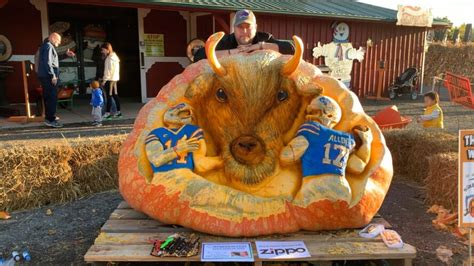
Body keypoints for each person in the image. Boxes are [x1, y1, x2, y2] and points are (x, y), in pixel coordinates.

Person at [193, 9, 295, 62]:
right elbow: (199, 56)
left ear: (255, 27)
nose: (244, 31)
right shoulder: (226, 41)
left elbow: (291, 49)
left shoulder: (264, 38)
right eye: (240, 27)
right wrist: (234, 52)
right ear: (234, 28)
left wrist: (259, 46)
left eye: (248, 27)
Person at [37, 32, 74, 128]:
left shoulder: (46, 46)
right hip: (49, 77)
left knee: (48, 97)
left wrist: (66, 55)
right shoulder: (48, 46)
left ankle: (49, 117)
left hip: (45, 76)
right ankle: (51, 120)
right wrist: (53, 75)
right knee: (52, 98)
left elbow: (53, 59)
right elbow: (48, 62)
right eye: (58, 40)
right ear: (53, 38)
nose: (59, 42)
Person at [101, 42, 121, 119]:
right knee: (115, 95)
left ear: (107, 49)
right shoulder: (115, 57)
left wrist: (104, 80)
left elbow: (107, 71)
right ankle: (118, 112)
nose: (102, 51)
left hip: (109, 79)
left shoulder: (108, 59)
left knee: (109, 96)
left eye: (103, 50)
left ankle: (107, 113)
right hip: (115, 78)